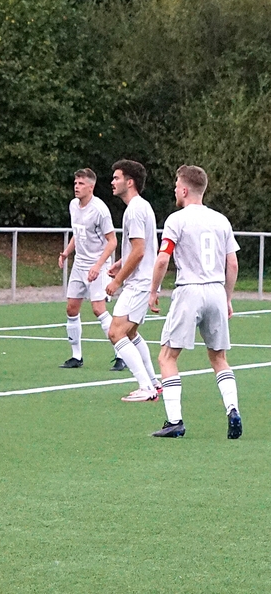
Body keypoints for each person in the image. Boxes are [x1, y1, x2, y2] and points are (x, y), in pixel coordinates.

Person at [148, 165, 242, 439]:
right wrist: (227, 298)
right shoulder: (221, 220)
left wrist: (153, 291)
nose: (174, 189)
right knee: (219, 358)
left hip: (189, 290)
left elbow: (163, 259)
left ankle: (174, 421)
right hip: (215, 290)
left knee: (167, 356)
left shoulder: (177, 220)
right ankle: (233, 409)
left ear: (185, 190)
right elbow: (232, 264)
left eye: (177, 185)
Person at [104, 159, 162, 401]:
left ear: (130, 182)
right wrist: (120, 262)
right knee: (130, 333)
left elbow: (139, 251)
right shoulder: (141, 206)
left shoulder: (135, 210)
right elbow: (140, 248)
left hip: (138, 283)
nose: (112, 182)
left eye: (116, 178)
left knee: (115, 332)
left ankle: (146, 387)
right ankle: (154, 383)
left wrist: (117, 281)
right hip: (143, 280)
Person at [57, 168, 121, 369]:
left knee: (98, 309)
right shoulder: (73, 206)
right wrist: (66, 252)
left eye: (81, 184)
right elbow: (78, 233)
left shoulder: (100, 210)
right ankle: (76, 356)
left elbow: (112, 241)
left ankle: (121, 354)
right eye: (75, 183)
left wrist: (98, 265)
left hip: (98, 265)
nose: (76, 187)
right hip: (80, 264)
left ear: (91, 187)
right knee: (71, 308)